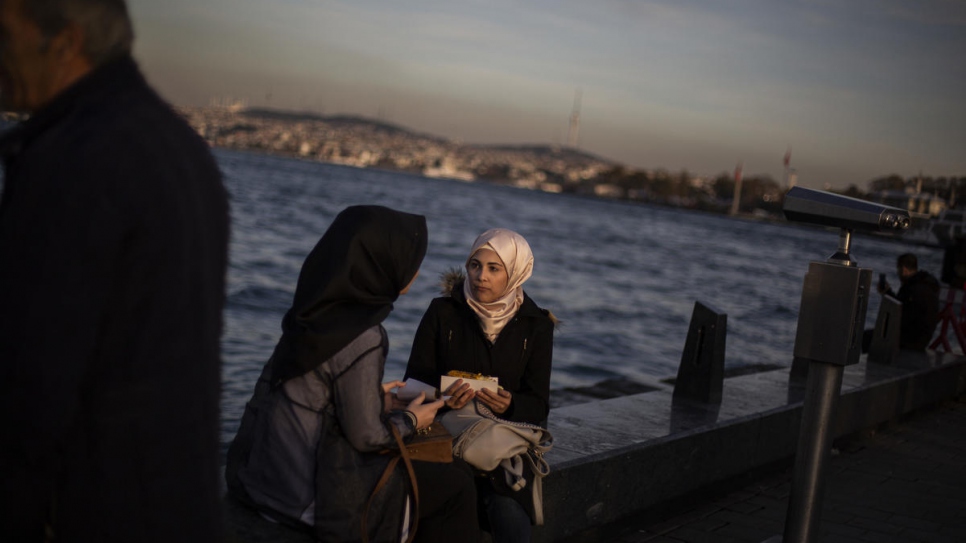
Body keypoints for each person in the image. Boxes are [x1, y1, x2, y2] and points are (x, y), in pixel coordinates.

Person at [0, 1, 230, 541]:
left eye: (4, 33)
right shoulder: (179, 150)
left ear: (65, 43)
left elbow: (31, 378)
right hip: (169, 497)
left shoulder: (77, 156)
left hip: (92, 503)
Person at [226, 206, 481, 543]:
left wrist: (372, 394)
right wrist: (411, 418)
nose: (416, 270)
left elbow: (311, 391)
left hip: (258, 480)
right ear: (380, 263)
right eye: (411, 259)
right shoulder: (364, 334)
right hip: (306, 498)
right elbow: (368, 437)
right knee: (457, 486)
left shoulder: (312, 310)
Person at [405, 228, 555, 543]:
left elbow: (539, 404)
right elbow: (413, 384)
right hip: (446, 434)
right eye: (474, 265)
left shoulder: (537, 325)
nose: (480, 276)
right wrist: (445, 398)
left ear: (515, 273)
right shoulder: (442, 312)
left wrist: (510, 404)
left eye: (493, 268)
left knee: (507, 508)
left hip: (500, 445)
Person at [878, 253, 941, 351]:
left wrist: (886, 294)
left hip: (911, 340)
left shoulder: (911, 288)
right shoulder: (926, 285)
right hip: (923, 338)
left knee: (870, 336)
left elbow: (900, 313)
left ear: (904, 269)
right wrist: (888, 293)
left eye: (898, 269)